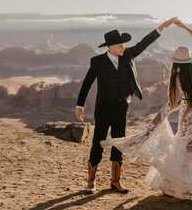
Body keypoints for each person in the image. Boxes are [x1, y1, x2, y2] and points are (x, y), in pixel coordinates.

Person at [101, 19, 192, 201]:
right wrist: (184, 27)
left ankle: (184, 183)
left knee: (185, 145)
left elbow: (172, 104)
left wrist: (153, 125)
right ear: (189, 59)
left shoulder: (176, 78)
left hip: (187, 113)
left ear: (175, 63)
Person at [75, 18, 177, 194]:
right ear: (110, 47)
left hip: (122, 108)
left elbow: (144, 43)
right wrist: (80, 105)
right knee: (97, 143)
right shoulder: (97, 62)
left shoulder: (128, 55)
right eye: (120, 45)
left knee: (119, 142)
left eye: (123, 45)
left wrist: (161, 27)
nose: (123, 47)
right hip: (103, 109)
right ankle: (91, 182)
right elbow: (87, 83)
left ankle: (115, 181)